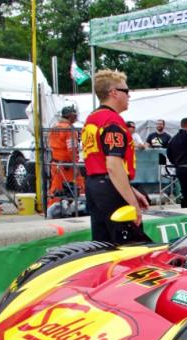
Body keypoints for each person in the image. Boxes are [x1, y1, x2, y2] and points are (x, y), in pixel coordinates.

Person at [80, 69, 149, 243]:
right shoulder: (112, 121)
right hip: (109, 188)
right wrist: (132, 202)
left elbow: (102, 163)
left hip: (95, 185)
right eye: (126, 91)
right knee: (131, 243)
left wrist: (131, 190)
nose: (129, 96)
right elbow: (113, 165)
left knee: (104, 244)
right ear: (114, 93)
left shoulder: (92, 118)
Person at [47, 105, 83, 207]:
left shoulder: (54, 127)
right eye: (74, 115)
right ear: (70, 116)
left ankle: (53, 207)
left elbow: (50, 145)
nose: (76, 117)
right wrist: (75, 165)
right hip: (66, 165)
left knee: (56, 187)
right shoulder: (69, 129)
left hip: (55, 163)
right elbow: (71, 149)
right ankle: (70, 209)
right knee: (77, 186)